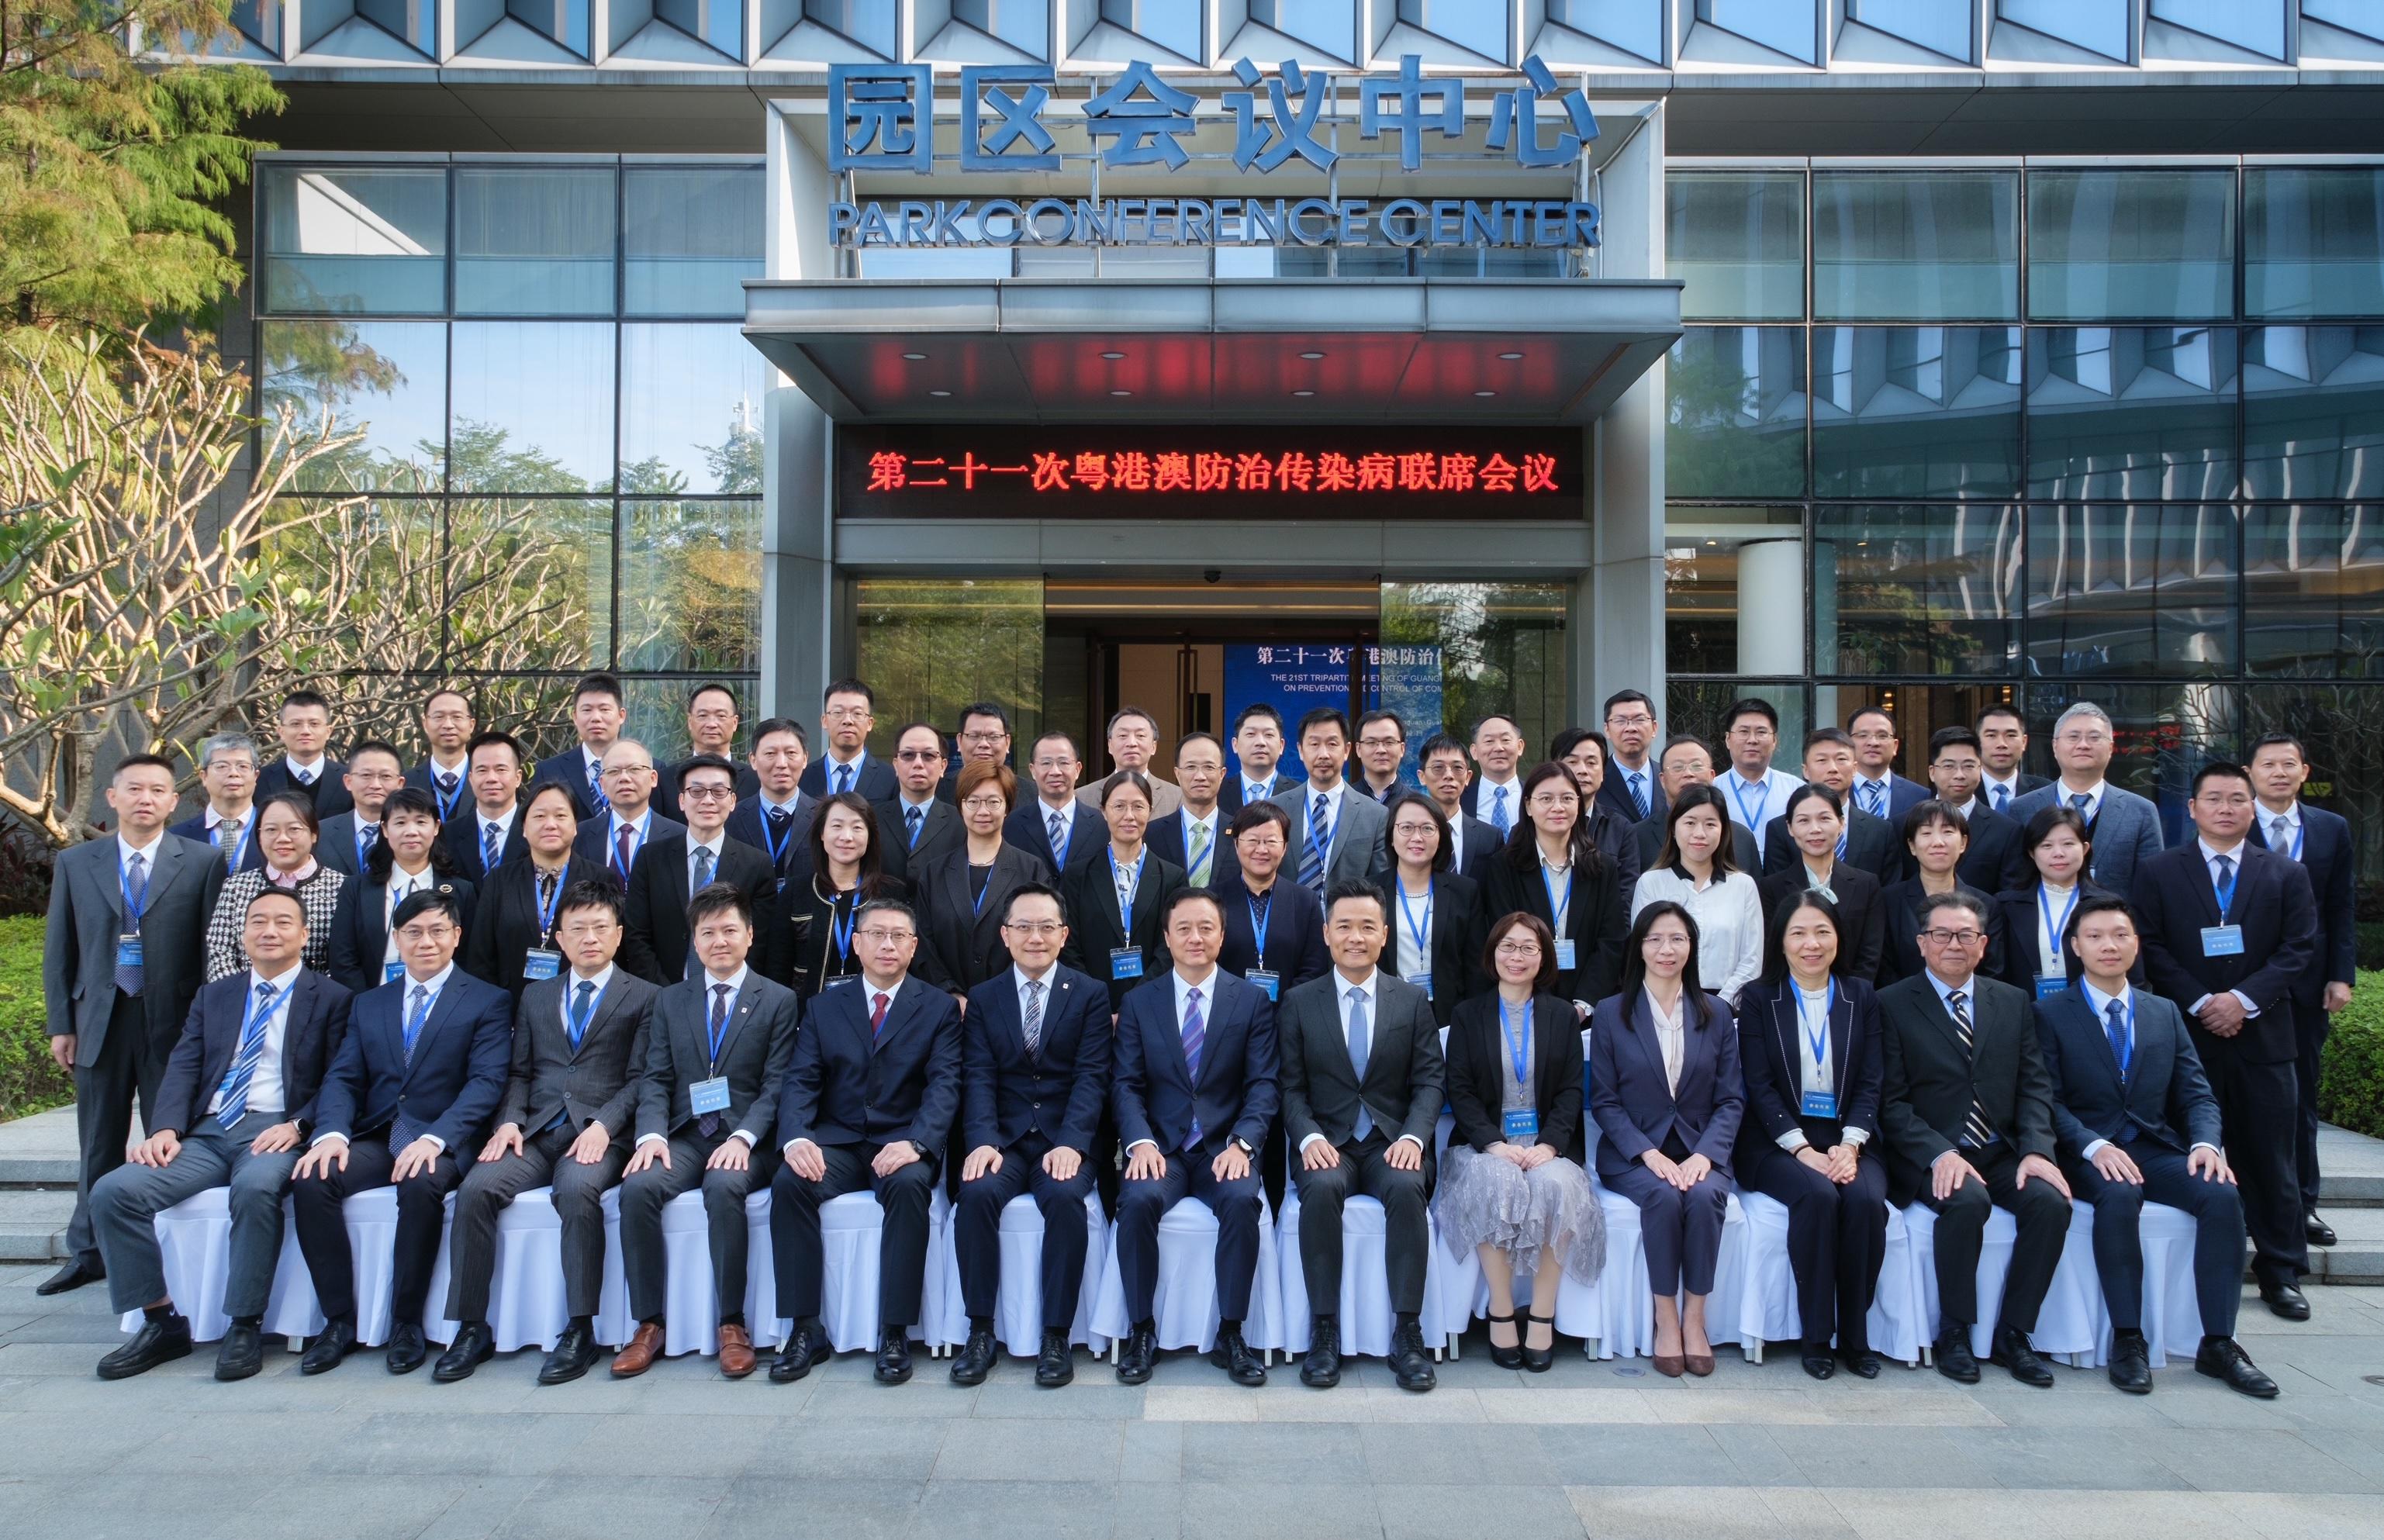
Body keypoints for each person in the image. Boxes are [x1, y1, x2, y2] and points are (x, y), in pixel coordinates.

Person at [91, 888, 352, 1381]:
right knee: (113, 1192)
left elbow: (344, 1076)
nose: (269, 931)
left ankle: (244, 1323)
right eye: (257, 922)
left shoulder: (334, 998)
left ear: (304, 934)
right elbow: (185, 1065)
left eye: (281, 922)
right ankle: (160, 1320)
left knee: (255, 1189)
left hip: (276, 1130)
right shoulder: (216, 994)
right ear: (243, 933)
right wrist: (165, 1127)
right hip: (208, 1133)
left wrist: (300, 1125)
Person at [2037, 896, 2277, 1398]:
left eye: (2120, 935)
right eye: (2096, 936)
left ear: (2135, 943)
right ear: (2076, 947)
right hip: (2086, 1152)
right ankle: (2128, 1339)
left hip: (2152, 1145)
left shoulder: (2162, 1012)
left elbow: (2196, 1092)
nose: (2109, 945)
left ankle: (2219, 1342)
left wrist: (2207, 1143)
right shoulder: (2050, 1013)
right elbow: (2046, 1100)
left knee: (2221, 1194)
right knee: (2119, 1195)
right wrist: (2093, 1145)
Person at [434, 879, 657, 1385]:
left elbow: (644, 1078)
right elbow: (518, 1072)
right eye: (577, 929)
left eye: (600, 928)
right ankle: (471, 1326)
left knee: (578, 1189)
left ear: (619, 935)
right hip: (535, 1129)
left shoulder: (646, 997)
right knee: (475, 1188)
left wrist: (605, 1125)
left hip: (600, 1132)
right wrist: (509, 1121)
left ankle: (579, 1328)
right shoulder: (536, 996)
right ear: (560, 937)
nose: (589, 938)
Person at [291, 889, 510, 1374]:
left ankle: (406, 1321)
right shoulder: (370, 1003)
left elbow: (487, 1082)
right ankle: (339, 1322)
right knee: (312, 1178)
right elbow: (345, 1076)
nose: (425, 942)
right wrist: (330, 1133)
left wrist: (436, 1139)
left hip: (442, 1138)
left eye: (437, 931)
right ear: (397, 938)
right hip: (380, 1133)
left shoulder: (487, 1001)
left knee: (419, 1183)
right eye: (413, 932)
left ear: (456, 936)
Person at [2132, 761, 2319, 1323]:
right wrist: (2201, 1002)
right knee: (2195, 1155)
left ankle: (2281, 1272)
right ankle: (2206, 1270)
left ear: (2252, 807)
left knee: (2270, 1160)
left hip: (2264, 1038)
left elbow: (2298, 947)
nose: (2226, 808)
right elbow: (2151, 946)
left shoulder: (2284, 873)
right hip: (2188, 1037)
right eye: (2214, 799)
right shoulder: (2160, 871)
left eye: (2238, 799)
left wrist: (2241, 1000)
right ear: (2192, 809)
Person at [41, 755, 226, 1297]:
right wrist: (61, 1024)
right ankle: (89, 1251)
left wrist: (208, 1029)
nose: (146, 798)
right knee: (98, 1139)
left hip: (170, 1022)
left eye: (158, 790)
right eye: (135, 789)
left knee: (170, 1136)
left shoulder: (201, 861)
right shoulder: (78, 862)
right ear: (113, 798)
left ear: (175, 802)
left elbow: (209, 953)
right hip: (99, 1018)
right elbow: (61, 951)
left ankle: (161, 1245)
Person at [1877, 890, 2071, 1386]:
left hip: (1999, 1147)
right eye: (1941, 934)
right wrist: (1938, 1151)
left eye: (1966, 935)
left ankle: (2014, 1334)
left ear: (1983, 944)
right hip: (1928, 1150)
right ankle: (1955, 1332)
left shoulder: (2011, 1002)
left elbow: (2034, 1086)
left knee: (2050, 1202)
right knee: (1966, 1202)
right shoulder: (1892, 1004)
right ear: (1922, 943)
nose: (1954, 944)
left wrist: (2036, 1151)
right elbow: (1890, 1103)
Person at [610, 882, 800, 1379]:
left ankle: (731, 1324)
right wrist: (650, 1135)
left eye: (730, 930)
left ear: (750, 935)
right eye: (708, 932)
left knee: (724, 1187)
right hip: (687, 1133)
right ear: (694, 941)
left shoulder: (778, 1000)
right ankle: (648, 1324)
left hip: (746, 1138)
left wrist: (745, 1138)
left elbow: (778, 1084)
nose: (720, 941)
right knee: (638, 1187)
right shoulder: (671, 1001)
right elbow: (655, 1076)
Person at [769, 899, 962, 1386]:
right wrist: (795, 1139)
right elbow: (800, 1081)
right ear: (856, 944)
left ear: (914, 947)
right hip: (837, 1141)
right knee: (790, 1183)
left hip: (902, 1143)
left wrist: (919, 1143)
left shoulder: (937, 1008)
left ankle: (894, 1331)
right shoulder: (823, 1006)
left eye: (899, 936)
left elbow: (945, 1085)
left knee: (910, 1188)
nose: (888, 945)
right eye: (877, 934)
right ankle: (804, 1328)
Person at [1278, 881, 1442, 1392]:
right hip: (1327, 1140)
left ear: (1385, 935)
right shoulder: (1300, 1002)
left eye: (1368, 927)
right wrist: (1307, 1138)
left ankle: (1407, 1332)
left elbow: (1430, 1080)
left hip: (1391, 1140)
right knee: (1322, 1189)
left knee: (1406, 1186)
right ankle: (1324, 1330)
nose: (1356, 937)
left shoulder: (1411, 1000)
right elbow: (1289, 1085)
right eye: (1344, 926)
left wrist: (1414, 1138)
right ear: (1326, 934)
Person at [1111, 889, 1278, 1386]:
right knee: (1137, 1201)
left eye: (1206, 927)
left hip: (1222, 1147)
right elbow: (1125, 1084)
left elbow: (1264, 1084)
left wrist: (1243, 1143)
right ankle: (1142, 1328)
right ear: (1166, 936)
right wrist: (1138, 1141)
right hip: (1160, 1148)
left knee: (1243, 1199)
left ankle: (1232, 1331)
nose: (1195, 937)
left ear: (1222, 936)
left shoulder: (1250, 1001)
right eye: (1183, 928)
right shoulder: (1140, 1001)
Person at [949, 884, 1111, 1389]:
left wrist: (1073, 1142)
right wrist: (981, 1141)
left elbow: (1092, 1077)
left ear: (1063, 935)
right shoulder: (984, 997)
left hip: (1065, 1139)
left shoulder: (1089, 993)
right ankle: (980, 1331)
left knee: (1066, 1200)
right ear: (1005, 935)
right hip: (1004, 1139)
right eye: (1023, 927)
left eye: (1046, 927)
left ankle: (1057, 1335)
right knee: (975, 1196)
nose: (1034, 937)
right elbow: (976, 1075)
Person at [1733, 891, 1888, 1380]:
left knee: (1864, 1202)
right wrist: (1800, 1147)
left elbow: (1871, 1080)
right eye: (1798, 933)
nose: (1811, 944)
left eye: (1822, 931)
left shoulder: (1861, 995)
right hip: (1774, 1138)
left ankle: (1856, 1336)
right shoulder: (1759, 999)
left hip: (1850, 1138)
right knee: (1818, 1197)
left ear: (1839, 938)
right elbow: (1757, 1084)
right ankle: (1817, 1335)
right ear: (1780, 942)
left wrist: (1850, 1144)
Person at [1436, 912, 1599, 1373]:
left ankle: (1543, 1315)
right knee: (1496, 1181)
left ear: (1544, 956)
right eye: (1508, 946)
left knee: (1557, 1187)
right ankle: (1502, 1311)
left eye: (1529, 947)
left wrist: (1549, 1144)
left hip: (1548, 1145)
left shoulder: (1563, 1016)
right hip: (1486, 1146)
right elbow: (1460, 1090)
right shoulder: (1468, 1015)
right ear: (1492, 953)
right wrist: (1492, 1142)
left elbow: (1570, 1090)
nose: (1517, 956)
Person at [1591, 903, 1744, 1379]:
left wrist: (1705, 1155)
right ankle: (1665, 1320)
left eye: (1677, 939)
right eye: (1655, 939)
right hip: (1634, 1153)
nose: (1666, 949)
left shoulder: (1716, 1013)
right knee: (1660, 1196)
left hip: (1701, 1150)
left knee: (1702, 1198)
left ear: (1692, 947)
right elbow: (1605, 1101)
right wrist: (1648, 1152)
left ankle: (1694, 1320)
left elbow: (1732, 1100)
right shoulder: (1611, 1013)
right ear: (1639, 947)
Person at [2246, 734, 2360, 1250]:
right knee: (2244, 1100)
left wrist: (2342, 975)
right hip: (2243, 985)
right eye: (2267, 764)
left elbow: (2340, 907)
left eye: (2287, 764)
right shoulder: (2230, 822)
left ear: (2305, 772)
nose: (2278, 772)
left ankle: (2303, 1204)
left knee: (2300, 1099)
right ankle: (2249, 1203)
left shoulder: (2330, 829)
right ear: (2250, 773)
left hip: (2310, 986)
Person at [1478, 762, 1629, 1012]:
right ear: (1528, 805)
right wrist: (1543, 1006)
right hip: (1524, 1005)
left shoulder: (1602, 867)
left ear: (1578, 804)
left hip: (1588, 1010)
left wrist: (1582, 1005)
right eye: (1546, 798)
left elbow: (1611, 941)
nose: (1557, 807)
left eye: (1567, 798)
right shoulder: (1504, 867)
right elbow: (1503, 940)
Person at [623, 754, 779, 987]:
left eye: (718, 791)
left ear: (733, 800)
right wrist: (664, 994)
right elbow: (636, 935)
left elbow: (759, 942)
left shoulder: (756, 864)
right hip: (661, 994)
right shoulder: (650, 858)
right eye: (697, 791)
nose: (708, 800)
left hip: (732, 997)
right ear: (682, 801)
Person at [911, 761, 1052, 999]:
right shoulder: (935, 873)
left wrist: (997, 995)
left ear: (1008, 807)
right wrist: (951, 993)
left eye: (993, 802)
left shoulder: (1032, 870)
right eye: (973, 801)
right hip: (946, 1006)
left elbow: (1041, 938)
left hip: (1012, 1002)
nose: (983, 811)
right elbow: (923, 945)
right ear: (961, 807)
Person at [1059, 769, 1188, 1022]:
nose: (1129, 816)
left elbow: (1169, 949)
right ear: (1104, 811)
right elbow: (1069, 947)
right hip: (1091, 1009)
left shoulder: (1172, 877)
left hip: (1154, 1008)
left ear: (1150, 811)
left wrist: (1135, 1003)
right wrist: (1096, 1001)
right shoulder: (1077, 876)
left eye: (1138, 806)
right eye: (1119, 806)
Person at [463, 782, 606, 1002]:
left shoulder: (601, 879)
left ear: (576, 825)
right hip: (510, 1008)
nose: (550, 824)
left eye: (560, 816)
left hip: (580, 1006)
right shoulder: (499, 881)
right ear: (523, 828)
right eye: (539, 816)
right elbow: (481, 957)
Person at [2008, 703, 2164, 899]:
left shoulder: (2141, 812)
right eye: (2073, 737)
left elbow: (2151, 888)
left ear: (2110, 748)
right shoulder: (2021, 808)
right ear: (2055, 746)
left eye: (2094, 737)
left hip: (2114, 925)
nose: (2083, 745)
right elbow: (2015, 879)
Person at [327, 787, 475, 994]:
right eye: (400, 822)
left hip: (440, 1007)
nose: (411, 831)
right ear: (385, 829)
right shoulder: (356, 888)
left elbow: (468, 957)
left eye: (421, 821)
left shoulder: (461, 890)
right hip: (370, 1002)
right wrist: (366, 1003)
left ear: (436, 827)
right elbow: (342, 958)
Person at [1632, 785, 1765, 1000]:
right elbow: (1644, 949)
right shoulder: (1651, 883)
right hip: (1665, 1002)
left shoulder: (1743, 886)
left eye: (1710, 824)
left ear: (1723, 831)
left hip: (1729, 1006)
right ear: (1674, 829)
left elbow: (1752, 960)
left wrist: (1723, 1004)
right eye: (1690, 823)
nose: (1699, 833)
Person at [203, 792, 347, 981]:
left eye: (294, 829)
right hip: (246, 1002)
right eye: (271, 830)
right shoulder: (235, 888)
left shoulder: (342, 887)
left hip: (317, 1001)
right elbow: (220, 952)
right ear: (259, 836)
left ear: (314, 834)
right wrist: (244, 995)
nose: (282, 838)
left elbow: (346, 959)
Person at [1373, 791, 1484, 1026]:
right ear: (1392, 837)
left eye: (1427, 828)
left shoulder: (1465, 891)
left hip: (1449, 1018)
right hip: (1385, 1016)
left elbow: (1475, 967)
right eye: (1406, 828)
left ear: (1441, 837)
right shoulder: (1371, 892)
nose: (1417, 837)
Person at [1992, 806, 2130, 997]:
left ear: (2085, 848)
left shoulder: (2108, 905)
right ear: (2032, 852)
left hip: (2090, 1016)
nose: (2058, 853)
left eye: (2068, 844)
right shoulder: (2007, 905)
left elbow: (2130, 972)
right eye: (2046, 846)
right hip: (2025, 1015)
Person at [783, 792, 905, 1003]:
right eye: (837, 826)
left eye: (857, 827)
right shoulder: (796, 891)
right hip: (807, 1014)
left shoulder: (891, 893)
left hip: (874, 1014)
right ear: (821, 833)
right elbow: (778, 966)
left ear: (870, 837)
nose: (846, 836)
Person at [1758, 785, 1885, 982]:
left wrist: (1851, 997)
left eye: (1825, 818)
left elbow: (1870, 956)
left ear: (1841, 823)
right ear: (1790, 828)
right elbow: (1770, 953)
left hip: (1853, 999)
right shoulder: (1770, 888)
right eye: (1803, 821)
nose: (1815, 829)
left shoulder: (1866, 884)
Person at [1878, 800, 2006, 987]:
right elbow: (1884, 969)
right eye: (1927, 833)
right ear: (1912, 845)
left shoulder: (1986, 904)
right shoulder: (1888, 900)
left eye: (1947, 832)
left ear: (1963, 842)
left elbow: (1993, 972)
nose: (1938, 842)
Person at [1216, 801, 1329, 1003]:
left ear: (1285, 847)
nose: (1261, 849)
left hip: (1289, 1016)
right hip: (1228, 1012)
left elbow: (1315, 967)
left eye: (1270, 841)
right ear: (1236, 844)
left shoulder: (1305, 901)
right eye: (1252, 840)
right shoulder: (1213, 900)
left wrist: (1289, 1007)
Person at [1761, 730, 1899, 881]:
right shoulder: (1779, 829)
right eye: (1821, 760)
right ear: (1806, 771)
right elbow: (1777, 888)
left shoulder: (1881, 830)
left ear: (1854, 769)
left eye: (1841, 759)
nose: (1833, 768)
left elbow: (1888, 891)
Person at [1633, 734, 1761, 875]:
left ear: (1712, 776)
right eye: (1678, 767)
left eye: (1697, 766)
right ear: (1662, 780)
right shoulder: (1637, 836)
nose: (1688, 773)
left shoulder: (1742, 837)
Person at [1923, 727, 2027, 896]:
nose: (1959, 775)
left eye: (1968, 766)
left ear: (1980, 770)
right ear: (1932, 772)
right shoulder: (1905, 824)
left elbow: (2010, 894)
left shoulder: (2006, 831)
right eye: (1949, 766)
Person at [573, 739, 682, 891]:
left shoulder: (679, 837)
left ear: (653, 778)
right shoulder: (580, 835)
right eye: (613, 771)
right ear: (602, 784)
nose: (624, 778)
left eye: (634, 769)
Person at [1550, 727, 1643, 904]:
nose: (1582, 770)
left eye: (1591, 763)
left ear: (1603, 773)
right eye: (1572, 762)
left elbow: (1627, 895)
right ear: (1555, 768)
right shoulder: (1536, 823)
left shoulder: (1620, 829)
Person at [725, 717, 816, 891]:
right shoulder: (732, 818)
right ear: (753, 760)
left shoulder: (823, 817)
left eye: (791, 753)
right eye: (770, 754)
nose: (781, 764)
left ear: (805, 759)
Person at [1006, 730, 1106, 879]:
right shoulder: (1013, 823)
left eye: (1063, 763)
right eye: (1046, 763)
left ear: (1078, 769)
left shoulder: (1100, 823)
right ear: (1033, 771)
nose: (1055, 771)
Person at [657, 682, 760, 824]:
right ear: (690, 721)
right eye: (703, 715)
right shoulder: (664, 780)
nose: (712, 724)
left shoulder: (756, 780)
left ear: (735, 722)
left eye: (721, 716)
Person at [873, 720, 962, 882]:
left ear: (943, 767)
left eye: (928, 756)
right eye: (908, 755)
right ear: (895, 765)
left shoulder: (961, 823)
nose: (918, 764)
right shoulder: (872, 819)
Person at [534, 672, 628, 822]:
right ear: (575, 717)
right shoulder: (548, 771)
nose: (596, 718)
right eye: (587, 710)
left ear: (621, 715)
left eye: (604, 709)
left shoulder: (648, 768)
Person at [1149, 731, 1235, 889]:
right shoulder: (1152, 834)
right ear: (1177, 774)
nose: (1200, 776)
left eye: (1209, 767)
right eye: (1190, 767)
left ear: (1222, 774)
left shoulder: (1241, 832)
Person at [168, 732, 264, 875]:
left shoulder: (277, 833)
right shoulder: (175, 838)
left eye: (242, 766)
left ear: (255, 776)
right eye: (222, 766)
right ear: (204, 776)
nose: (233, 773)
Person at [444, 729, 530, 879]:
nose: (491, 778)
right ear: (470, 779)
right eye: (482, 770)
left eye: (501, 769)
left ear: (518, 778)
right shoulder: (447, 835)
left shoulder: (537, 831)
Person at [255, 689, 354, 818]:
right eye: (296, 724)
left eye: (314, 724)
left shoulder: (349, 780)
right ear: (281, 732)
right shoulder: (259, 781)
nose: (305, 731)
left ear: (328, 731)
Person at [1415, 731, 1501, 877]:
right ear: (1422, 777)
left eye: (1457, 768)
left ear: (1468, 777)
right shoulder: (1409, 834)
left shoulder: (1490, 837)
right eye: (1438, 768)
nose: (1448, 775)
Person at [1076, 706, 1184, 818]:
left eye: (1140, 736)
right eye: (1123, 736)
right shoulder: (1082, 797)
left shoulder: (1177, 797)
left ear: (1154, 746)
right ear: (1110, 745)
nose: (1132, 743)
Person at [319, 740, 406, 878]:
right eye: (366, 775)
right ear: (348, 782)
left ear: (400, 784)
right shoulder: (321, 834)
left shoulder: (414, 834)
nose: (375, 785)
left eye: (386, 776)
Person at [801, 678, 897, 803]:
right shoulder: (803, 776)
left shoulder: (890, 778)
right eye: (838, 712)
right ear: (824, 721)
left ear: (870, 723)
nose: (848, 720)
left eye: (857, 713)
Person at [1717, 698, 1801, 835]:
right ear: (1728, 739)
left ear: (1774, 741)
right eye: (1743, 732)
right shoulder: (1713, 790)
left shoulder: (1796, 790)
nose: (1752, 740)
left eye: (1761, 732)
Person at [1846, 707, 1929, 828]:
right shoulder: (1835, 792)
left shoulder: (1919, 796)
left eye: (1882, 736)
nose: (1873, 742)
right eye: (1863, 735)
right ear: (1849, 743)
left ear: (1895, 746)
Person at [406, 687, 477, 822]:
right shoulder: (406, 782)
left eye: (457, 717)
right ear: (425, 724)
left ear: (471, 725)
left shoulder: (490, 781)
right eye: (439, 717)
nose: (448, 725)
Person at [1221, 703, 1304, 813]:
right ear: (1235, 745)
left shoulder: (1300, 793)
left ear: (1281, 746)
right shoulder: (1218, 792)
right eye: (1251, 734)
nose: (1260, 742)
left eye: (1268, 735)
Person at [1601, 689, 1666, 829]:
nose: (1630, 728)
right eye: (1620, 721)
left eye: (1639, 720)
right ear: (1607, 730)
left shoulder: (1669, 777)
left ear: (1654, 728)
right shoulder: (1596, 780)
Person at [1975, 704, 2050, 814]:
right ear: (1977, 741)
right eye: (1991, 735)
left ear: (2024, 742)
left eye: (2011, 735)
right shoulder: (1960, 789)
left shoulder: (2046, 791)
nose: (2001, 744)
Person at [1460, 713, 1528, 834]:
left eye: (1505, 740)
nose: (1498, 748)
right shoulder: (1460, 800)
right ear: (1474, 751)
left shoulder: (1535, 796)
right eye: (1489, 741)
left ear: (1520, 747)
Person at [942, 701, 1014, 804]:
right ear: (959, 741)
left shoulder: (1032, 793)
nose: (984, 744)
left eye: (994, 737)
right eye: (974, 736)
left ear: (1007, 742)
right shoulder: (938, 789)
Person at [1352, 710, 1408, 804]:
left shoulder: (1417, 805)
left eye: (1389, 742)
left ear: (1402, 749)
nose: (1381, 750)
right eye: (1371, 743)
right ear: (1358, 749)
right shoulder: (1343, 802)